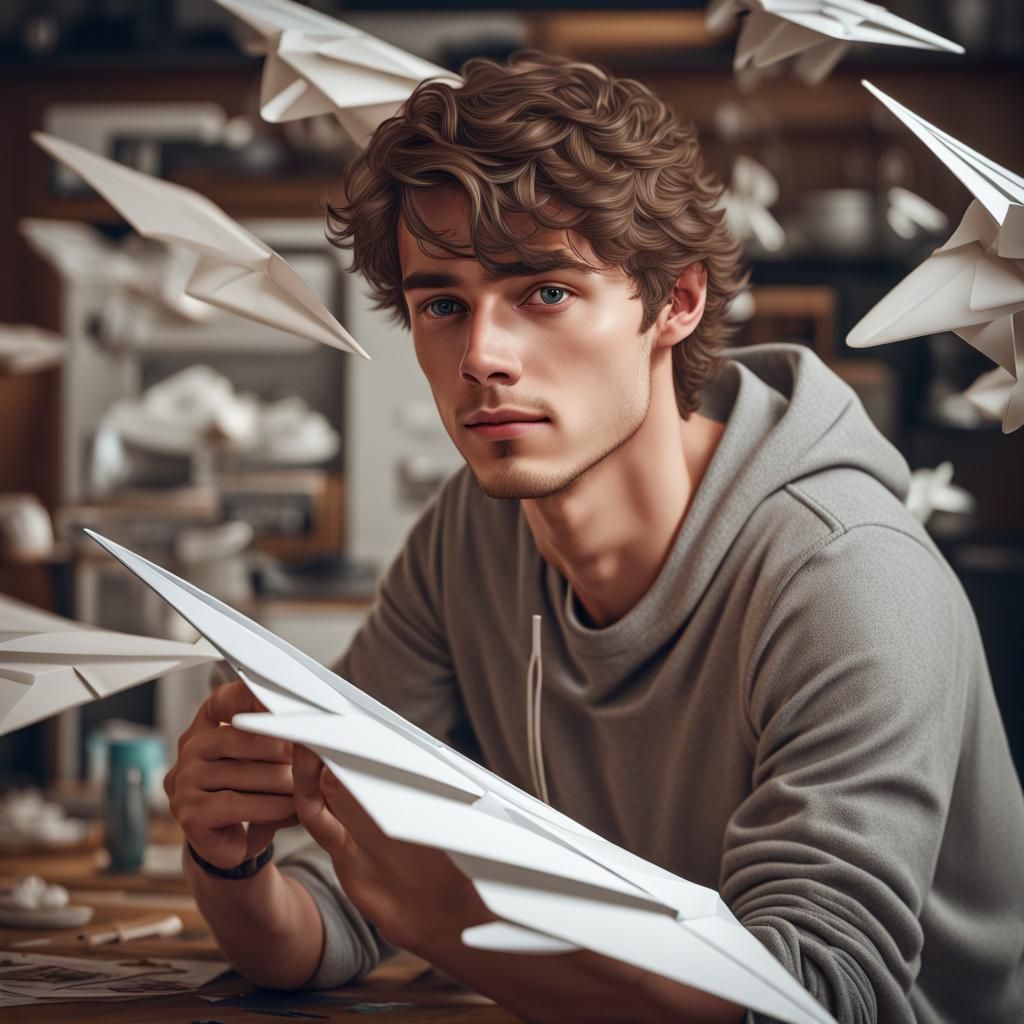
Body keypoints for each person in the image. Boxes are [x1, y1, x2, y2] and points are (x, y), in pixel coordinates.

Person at [164, 52, 1024, 1024]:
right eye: (442, 304)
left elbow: (808, 1000)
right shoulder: (471, 536)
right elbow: (331, 916)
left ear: (676, 302)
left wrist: (455, 923)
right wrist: (229, 854)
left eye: (543, 292)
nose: (481, 357)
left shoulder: (841, 571)